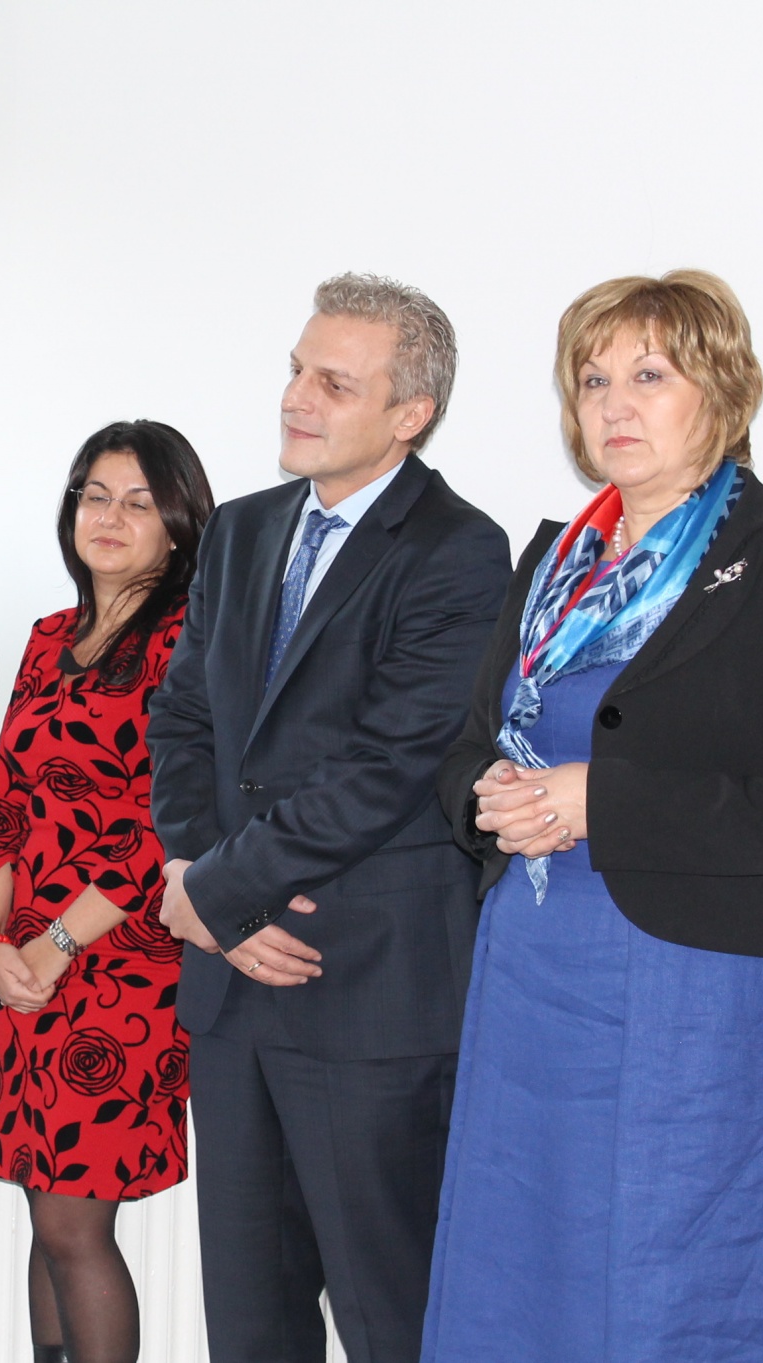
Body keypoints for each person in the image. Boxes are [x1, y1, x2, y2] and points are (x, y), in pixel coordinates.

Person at [425, 271, 763, 1360]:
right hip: (533, 972)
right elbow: (467, 746)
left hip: (696, 991)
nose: (613, 404)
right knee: (518, 1262)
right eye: (592, 380)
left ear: (719, 391)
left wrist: (599, 800)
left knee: (677, 1280)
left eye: (648, 376)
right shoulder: (550, 563)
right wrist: (490, 795)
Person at [147, 273, 510, 1360]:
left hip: (366, 992)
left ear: (410, 414)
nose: (296, 397)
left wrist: (216, 893)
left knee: (388, 1318)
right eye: (296, 369)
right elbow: (182, 721)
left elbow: (387, 767)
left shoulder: (458, 548)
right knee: (249, 1322)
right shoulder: (241, 530)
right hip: (232, 989)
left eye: (333, 383)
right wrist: (197, 879)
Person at [0, 420, 215, 1363]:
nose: (110, 517)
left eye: (139, 502)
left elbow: (159, 821)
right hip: (25, 968)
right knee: (46, 1213)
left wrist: (55, 946)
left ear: (179, 526)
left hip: (120, 967)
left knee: (75, 1227)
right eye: (96, 496)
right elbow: (2, 802)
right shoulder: (47, 638)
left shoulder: (186, 641)